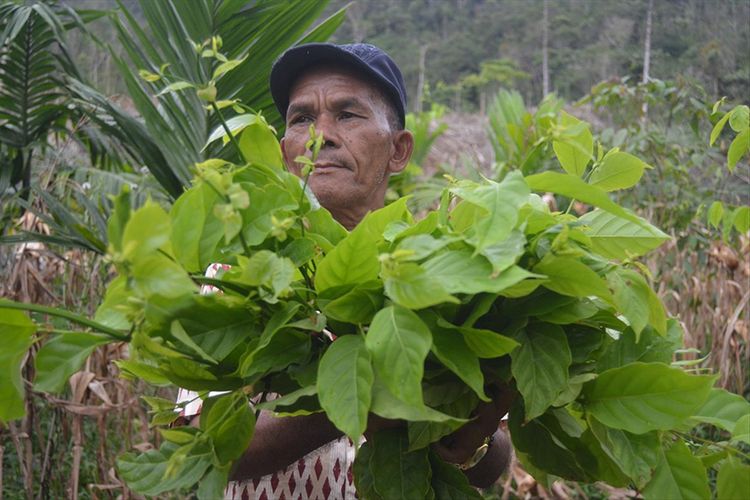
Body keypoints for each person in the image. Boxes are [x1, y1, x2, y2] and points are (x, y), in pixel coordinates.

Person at [182, 42, 513, 499]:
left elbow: (494, 461)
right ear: (284, 153)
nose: (322, 135)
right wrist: (361, 403)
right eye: (301, 119)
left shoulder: (438, 276)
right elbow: (205, 445)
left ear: (398, 150)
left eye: (348, 115)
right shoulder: (239, 276)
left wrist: (473, 437)